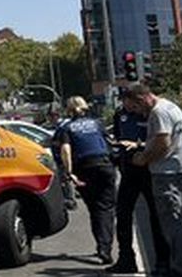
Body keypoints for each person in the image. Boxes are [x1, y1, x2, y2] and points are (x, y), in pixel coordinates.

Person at [126, 84, 182, 277]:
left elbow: (163, 143)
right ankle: (181, 266)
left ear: (142, 99)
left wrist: (143, 158)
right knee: (179, 223)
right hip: (180, 170)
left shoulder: (158, 113)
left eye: (135, 108)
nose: (137, 113)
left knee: (172, 225)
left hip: (167, 175)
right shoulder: (170, 106)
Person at [110, 87, 169, 275]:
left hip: (148, 168)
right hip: (129, 169)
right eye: (126, 104)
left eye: (130, 104)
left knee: (156, 218)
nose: (129, 108)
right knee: (123, 214)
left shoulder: (151, 113)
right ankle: (126, 259)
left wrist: (139, 145)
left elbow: (161, 141)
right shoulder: (120, 114)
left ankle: (162, 262)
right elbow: (119, 136)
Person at [54, 96, 117, 264]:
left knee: (95, 209)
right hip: (104, 167)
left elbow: (65, 150)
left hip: (84, 170)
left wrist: (69, 173)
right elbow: (110, 142)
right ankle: (105, 247)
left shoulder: (66, 128)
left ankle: (102, 246)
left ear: (69, 110)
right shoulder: (97, 123)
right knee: (106, 208)